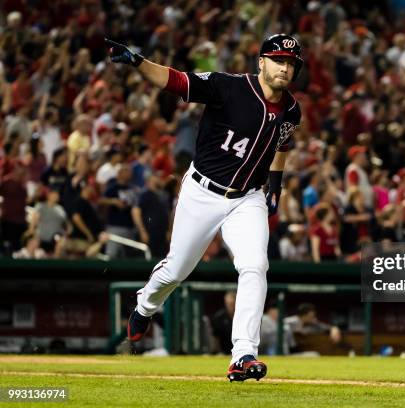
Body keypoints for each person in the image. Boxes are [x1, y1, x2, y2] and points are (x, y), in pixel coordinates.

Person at [107, 33, 302, 381]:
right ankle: (144, 306)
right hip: (203, 192)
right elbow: (177, 81)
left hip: (247, 198)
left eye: (290, 63)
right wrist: (137, 62)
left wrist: (276, 184)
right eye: (278, 60)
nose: (284, 67)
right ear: (261, 62)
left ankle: (243, 353)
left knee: (255, 265)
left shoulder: (291, 109)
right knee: (176, 270)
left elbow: (283, 142)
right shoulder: (227, 87)